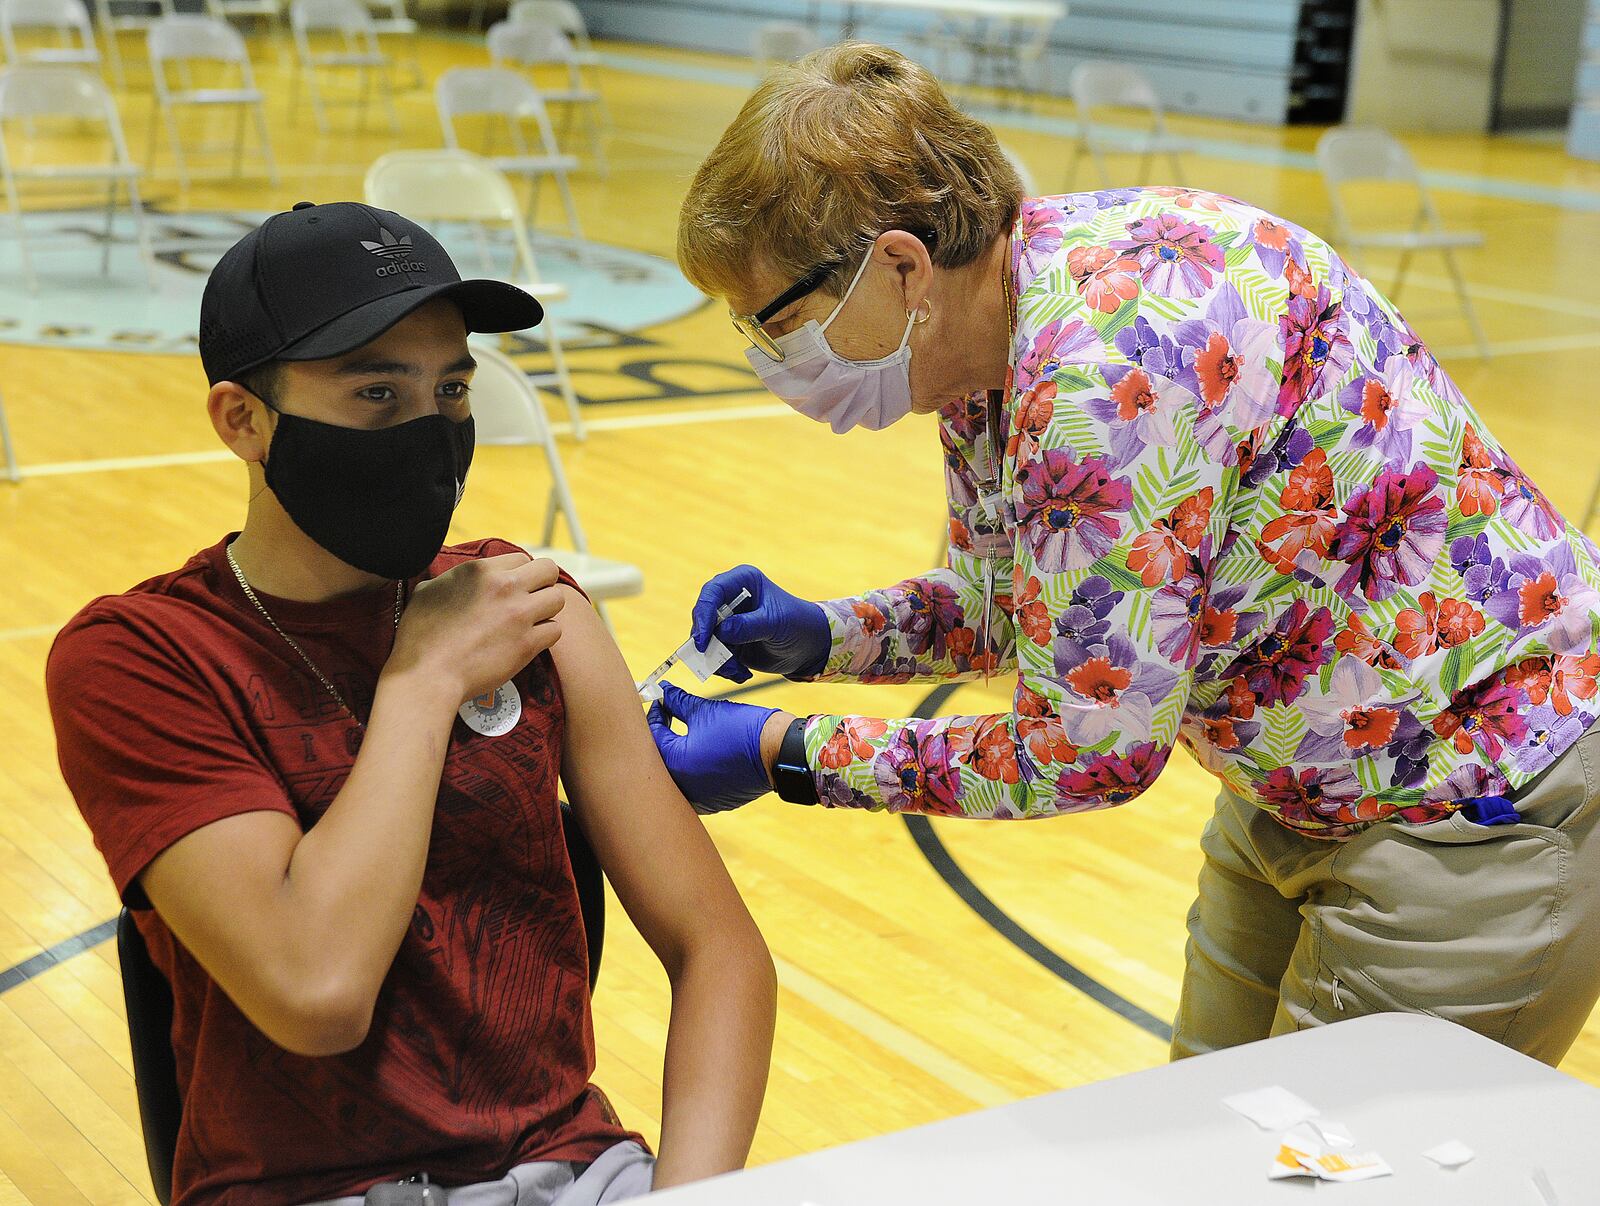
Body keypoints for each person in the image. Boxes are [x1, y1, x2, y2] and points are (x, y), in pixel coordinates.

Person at [649, 42, 1600, 1068]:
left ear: (898, 264)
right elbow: (1017, 601)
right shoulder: (996, 321)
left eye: (777, 324)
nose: (767, 358)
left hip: (1474, 801)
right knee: (1201, 1131)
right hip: (1302, 781)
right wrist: (823, 638)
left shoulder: (1104, 378)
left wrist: (780, 753)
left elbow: (1085, 749)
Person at [46, 201, 776, 1206]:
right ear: (242, 420)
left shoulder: (525, 609)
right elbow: (317, 991)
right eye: (376, 395)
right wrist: (422, 678)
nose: (429, 434)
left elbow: (719, 950)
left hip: (573, 1173)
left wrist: (686, 1199)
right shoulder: (142, 657)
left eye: (452, 390)